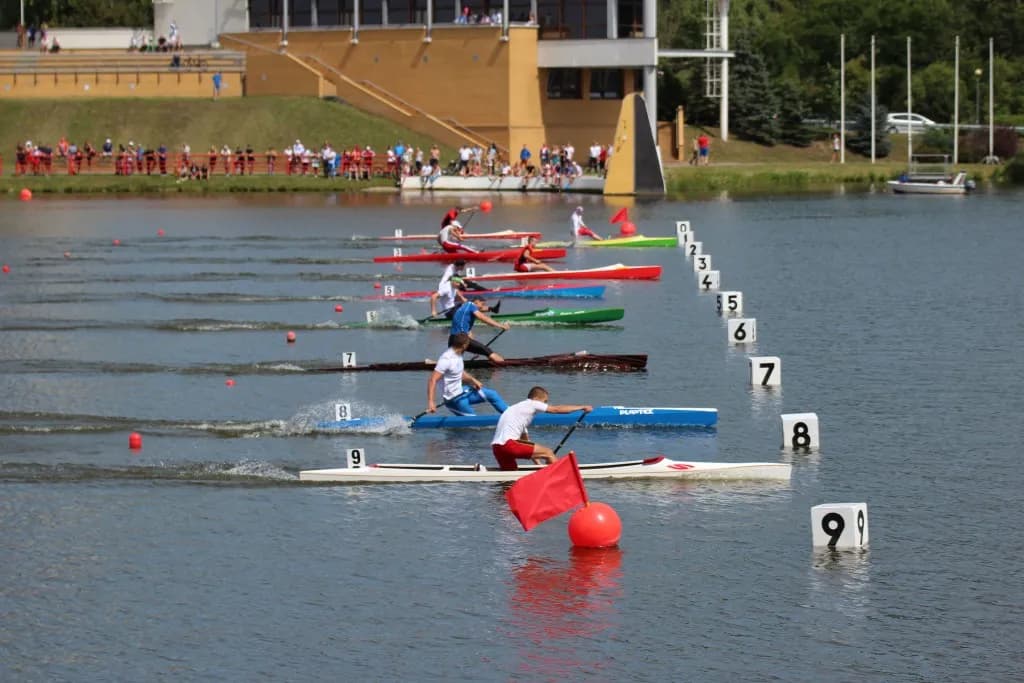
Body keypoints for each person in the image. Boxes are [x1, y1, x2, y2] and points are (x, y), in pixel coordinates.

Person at [490, 386, 592, 470]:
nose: (545, 404)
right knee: (548, 453)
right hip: (509, 445)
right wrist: (581, 407)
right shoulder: (532, 403)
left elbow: (526, 443)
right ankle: (564, 477)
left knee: (510, 477)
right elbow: (556, 409)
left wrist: (539, 465)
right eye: (545, 401)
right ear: (536, 398)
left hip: (497, 448)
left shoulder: (516, 411)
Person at [427, 333, 508, 416]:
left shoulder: (458, 354)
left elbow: (459, 372)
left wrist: (473, 381)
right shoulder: (446, 359)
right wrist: (431, 402)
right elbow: (432, 380)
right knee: (475, 424)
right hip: (454, 400)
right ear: (464, 345)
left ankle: (510, 415)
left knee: (492, 395)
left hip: (462, 392)